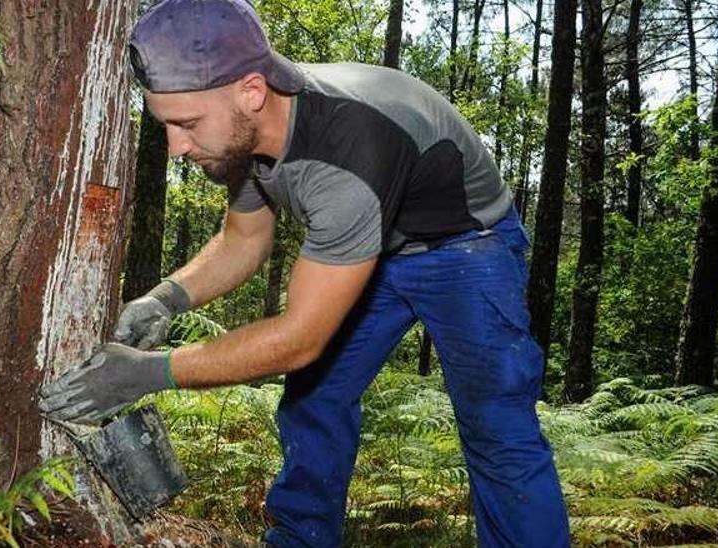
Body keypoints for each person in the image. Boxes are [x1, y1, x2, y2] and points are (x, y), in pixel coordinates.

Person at [39, 1, 571, 546]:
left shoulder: (347, 154)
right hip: (375, 247)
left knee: (495, 424)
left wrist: (147, 373)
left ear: (251, 91)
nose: (176, 147)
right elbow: (244, 239)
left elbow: (298, 340)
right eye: (166, 124)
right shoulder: (246, 138)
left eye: (188, 124)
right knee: (314, 398)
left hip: (465, 247)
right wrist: (168, 299)